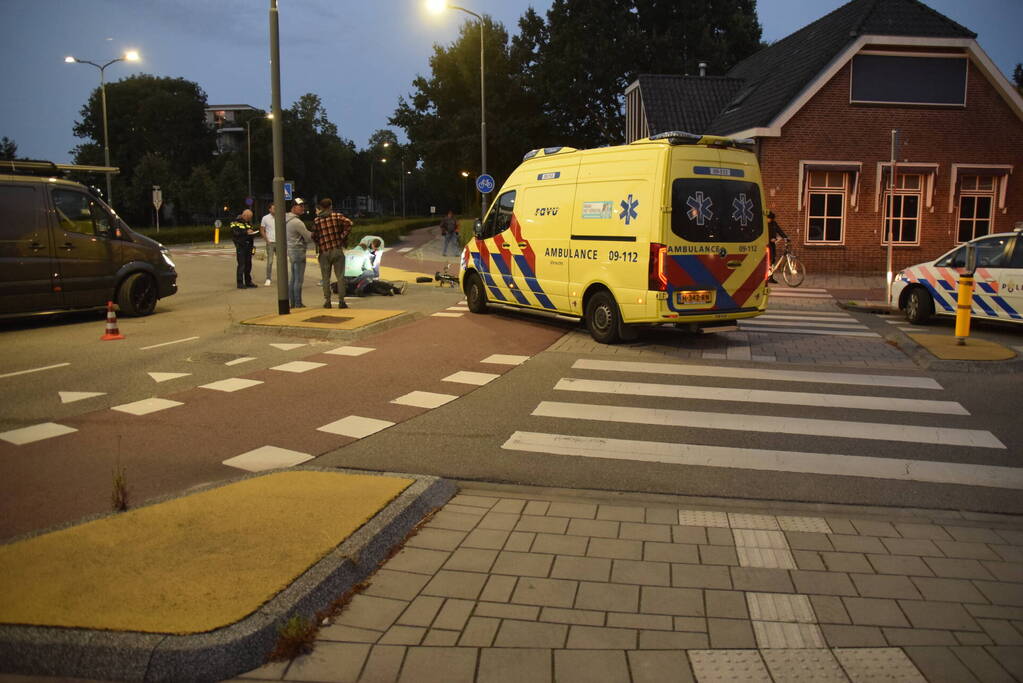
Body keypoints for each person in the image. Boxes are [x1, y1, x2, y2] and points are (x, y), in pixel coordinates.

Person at [310, 198, 352, 309]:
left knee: (325, 278)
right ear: (330, 206)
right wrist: (341, 237)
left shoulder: (317, 220)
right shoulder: (337, 216)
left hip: (324, 252)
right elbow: (349, 223)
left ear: (321, 207)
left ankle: (327, 301)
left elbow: (313, 236)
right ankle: (341, 301)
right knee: (340, 276)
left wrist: (321, 242)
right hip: (337, 250)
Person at [342, 239, 406, 296]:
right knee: (371, 275)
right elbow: (369, 268)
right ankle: (360, 288)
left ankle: (388, 291)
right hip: (355, 280)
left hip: (345, 278)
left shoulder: (348, 252)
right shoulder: (364, 254)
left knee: (372, 284)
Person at [285, 198, 313, 308]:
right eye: (300, 206)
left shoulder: (286, 219)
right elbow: (308, 237)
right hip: (298, 251)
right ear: (293, 207)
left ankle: (292, 303)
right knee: (298, 279)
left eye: (303, 206)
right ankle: (298, 303)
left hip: (291, 250)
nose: (302, 208)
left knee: (293, 278)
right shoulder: (297, 222)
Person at [230, 209, 258, 289]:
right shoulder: (235, 222)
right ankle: (240, 283)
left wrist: (252, 233)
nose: (249, 219)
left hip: (248, 246)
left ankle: (248, 282)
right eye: (249, 217)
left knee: (248, 265)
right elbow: (235, 233)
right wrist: (246, 232)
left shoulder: (248, 222)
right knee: (241, 265)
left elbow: (250, 232)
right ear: (244, 215)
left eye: (250, 218)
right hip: (241, 246)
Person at [766, 211, 789, 283]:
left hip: (772, 244)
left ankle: (770, 277)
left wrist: (785, 237)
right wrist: (770, 239)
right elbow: (763, 234)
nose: (769, 220)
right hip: (766, 244)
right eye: (769, 218)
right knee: (769, 259)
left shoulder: (773, 223)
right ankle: (766, 276)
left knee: (773, 260)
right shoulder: (764, 224)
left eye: (770, 219)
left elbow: (779, 230)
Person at [260, 203, 276, 286]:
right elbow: (262, 230)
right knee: (270, 261)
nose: (275, 210)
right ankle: (268, 278)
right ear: (269, 209)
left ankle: (282, 278)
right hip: (270, 242)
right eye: (273, 208)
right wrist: (267, 240)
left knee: (282, 262)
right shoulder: (265, 218)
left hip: (280, 243)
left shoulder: (280, 216)